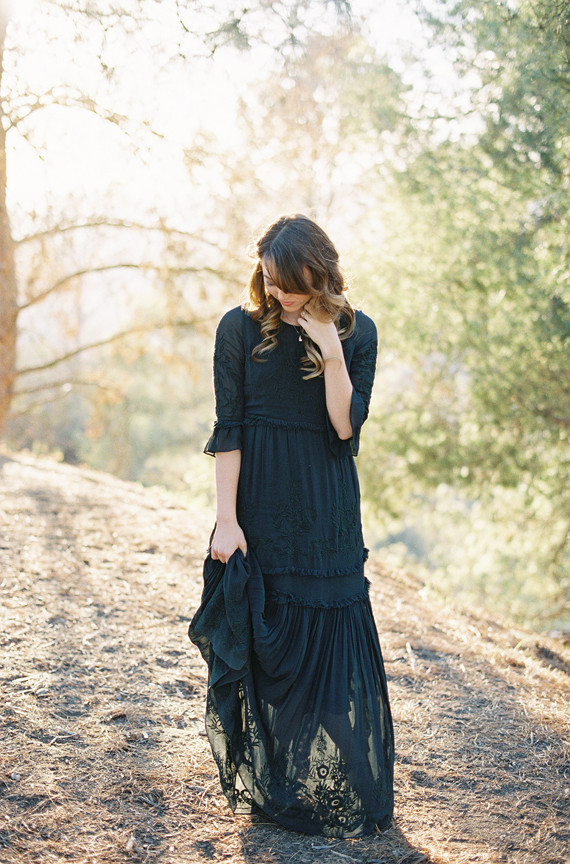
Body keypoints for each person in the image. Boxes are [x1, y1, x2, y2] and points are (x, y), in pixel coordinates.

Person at [189, 214, 394, 838]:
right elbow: (231, 430)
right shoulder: (239, 330)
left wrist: (332, 352)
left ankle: (348, 777)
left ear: (320, 273)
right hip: (261, 507)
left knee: (328, 632)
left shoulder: (360, 336)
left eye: (292, 283)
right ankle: (280, 781)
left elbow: (343, 427)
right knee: (268, 635)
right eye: (271, 280)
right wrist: (226, 519)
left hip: (327, 511)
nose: (279, 293)